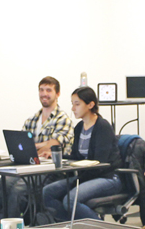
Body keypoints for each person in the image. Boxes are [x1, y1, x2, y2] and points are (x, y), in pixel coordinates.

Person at [0, 77, 75, 229]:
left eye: (49, 90)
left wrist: (34, 146)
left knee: (16, 194)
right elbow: (21, 146)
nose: (44, 94)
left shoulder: (63, 119)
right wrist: (40, 146)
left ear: (57, 94)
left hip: (51, 170)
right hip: (28, 166)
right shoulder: (31, 120)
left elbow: (55, 143)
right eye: (41, 90)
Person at [42, 86, 122, 221]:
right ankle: (68, 225)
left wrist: (76, 181)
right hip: (87, 176)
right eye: (72, 104)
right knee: (47, 193)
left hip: (108, 178)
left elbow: (100, 163)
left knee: (70, 199)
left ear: (91, 104)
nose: (73, 108)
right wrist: (56, 155)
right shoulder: (79, 127)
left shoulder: (102, 126)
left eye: (77, 104)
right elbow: (76, 157)